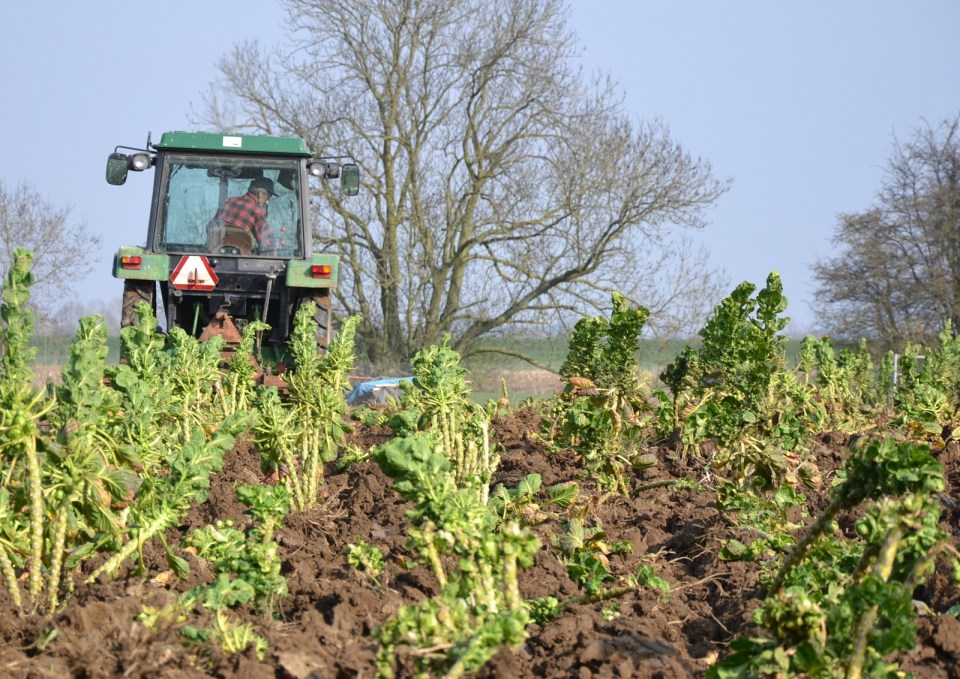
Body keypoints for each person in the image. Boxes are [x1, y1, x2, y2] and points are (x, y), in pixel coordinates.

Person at [209, 177, 276, 252]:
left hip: (215, 253)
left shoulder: (228, 202)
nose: (267, 202)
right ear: (261, 194)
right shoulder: (258, 211)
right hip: (242, 260)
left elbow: (210, 227)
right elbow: (268, 243)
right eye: (268, 198)